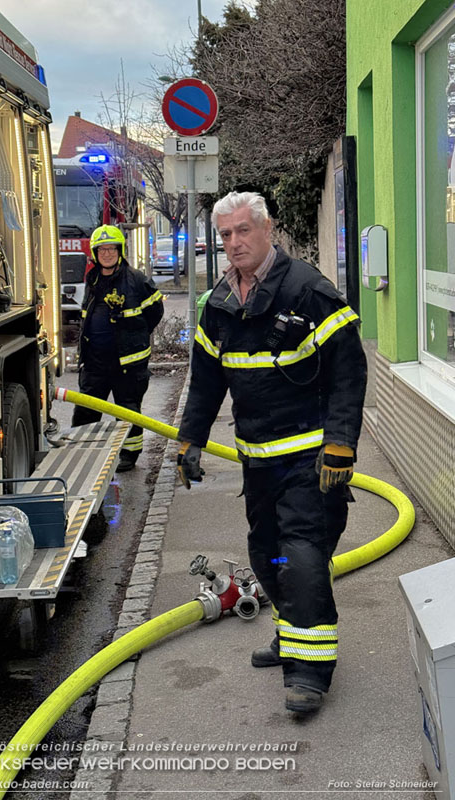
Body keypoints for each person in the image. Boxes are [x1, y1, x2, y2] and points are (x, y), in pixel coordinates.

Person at [177, 191, 367, 713]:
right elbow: (205, 381)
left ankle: (309, 674)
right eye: (225, 235)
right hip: (257, 463)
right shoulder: (219, 303)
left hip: (312, 463)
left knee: (303, 557)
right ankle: (293, 633)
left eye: (243, 231)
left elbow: (350, 371)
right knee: (269, 555)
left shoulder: (308, 291)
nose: (234, 243)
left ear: (268, 231)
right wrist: (190, 439)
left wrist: (341, 444)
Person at [72, 224, 164, 471]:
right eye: (102, 250)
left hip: (128, 361)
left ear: (120, 250)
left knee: (128, 410)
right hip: (95, 361)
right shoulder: (92, 279)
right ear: (95, 253)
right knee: (87, 409)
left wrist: (138, 335)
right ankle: (83, 449)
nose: (107, 254)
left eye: (112, 249)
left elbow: (156, 310)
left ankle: (129, 454)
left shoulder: (135, 279)